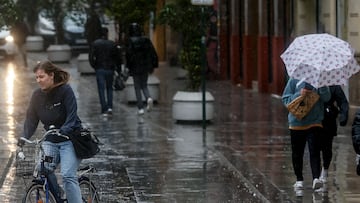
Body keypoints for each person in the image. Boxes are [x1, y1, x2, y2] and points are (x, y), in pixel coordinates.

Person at [17, 61, 83, 203]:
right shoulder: (36, 96)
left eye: (41, 77)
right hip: (51, 139)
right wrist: (24, 137)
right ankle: (57, 196)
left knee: (67, 175)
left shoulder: (66, 90)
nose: (38, 80)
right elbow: (31, 120)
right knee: (42, 169)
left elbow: (72, 115)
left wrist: (65, 129)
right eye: (37, 78)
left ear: (51, 75)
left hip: (70, 139)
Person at [282, 78, 330, 195]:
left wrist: (322, 87)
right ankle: (299, 179)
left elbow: (327, 98)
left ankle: (316, 178)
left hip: (315, 122)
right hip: (297, 122)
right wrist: (300, 94)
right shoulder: (294, 80)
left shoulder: (321, 80)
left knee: (315, 150)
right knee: (297, 152)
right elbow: (285, 99)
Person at [126, 23, 158, 115]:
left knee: (137, 87)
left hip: (135, 68)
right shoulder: (146, 40)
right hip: (144, 67)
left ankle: (140, 108)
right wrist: (152, 65)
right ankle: (148, 97)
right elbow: (152, 53)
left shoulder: (130, 41)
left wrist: (128, 67)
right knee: (144, 85)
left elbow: (129, 56)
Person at [319, 85, 349, 184]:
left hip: (328, 120)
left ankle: (325, 169)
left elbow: (343, 101)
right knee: (314, 147)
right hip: (313, 120)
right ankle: (316, 173)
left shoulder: (333, 85)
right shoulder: (310, 82)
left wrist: (343, 116)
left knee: (327, 147)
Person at [89, 27, 120, 116]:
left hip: (100, 68)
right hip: (110, 69)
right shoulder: (112, 44)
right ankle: (110, 107)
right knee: (109, 88)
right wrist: (118, 69)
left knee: (101, 89)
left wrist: (95, 66)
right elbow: (117, 58)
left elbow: (91, 57)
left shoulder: (95, 44)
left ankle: (104, 108)